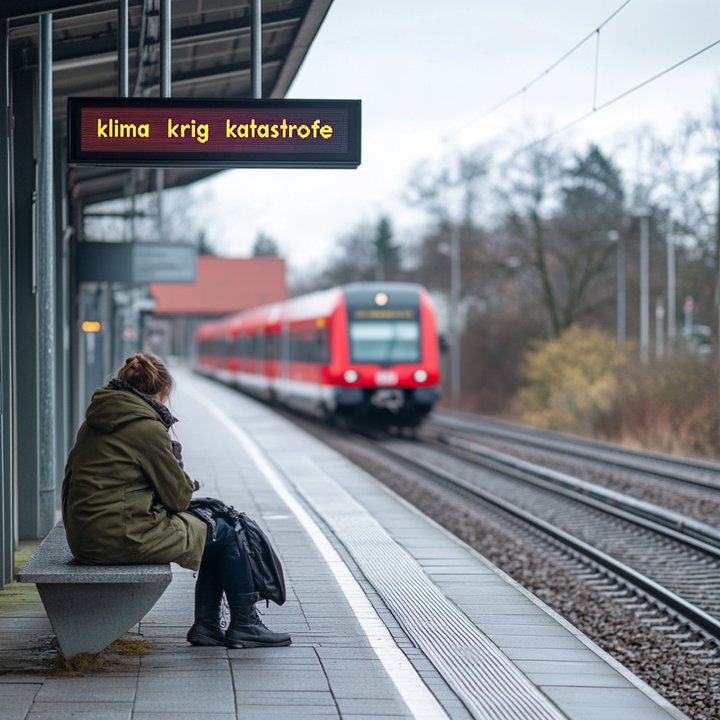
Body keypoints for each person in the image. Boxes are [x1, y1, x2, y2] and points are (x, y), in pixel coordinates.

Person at [61, 352, 291, 649]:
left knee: (212, 527)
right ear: (164, 390)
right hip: (119, 535)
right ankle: (244, 625)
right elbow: (178, 498)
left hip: (88, 531)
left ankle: (208, 626)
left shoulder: (96, 420)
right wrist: (176, 463)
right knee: (228, 532)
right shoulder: (146, 427)